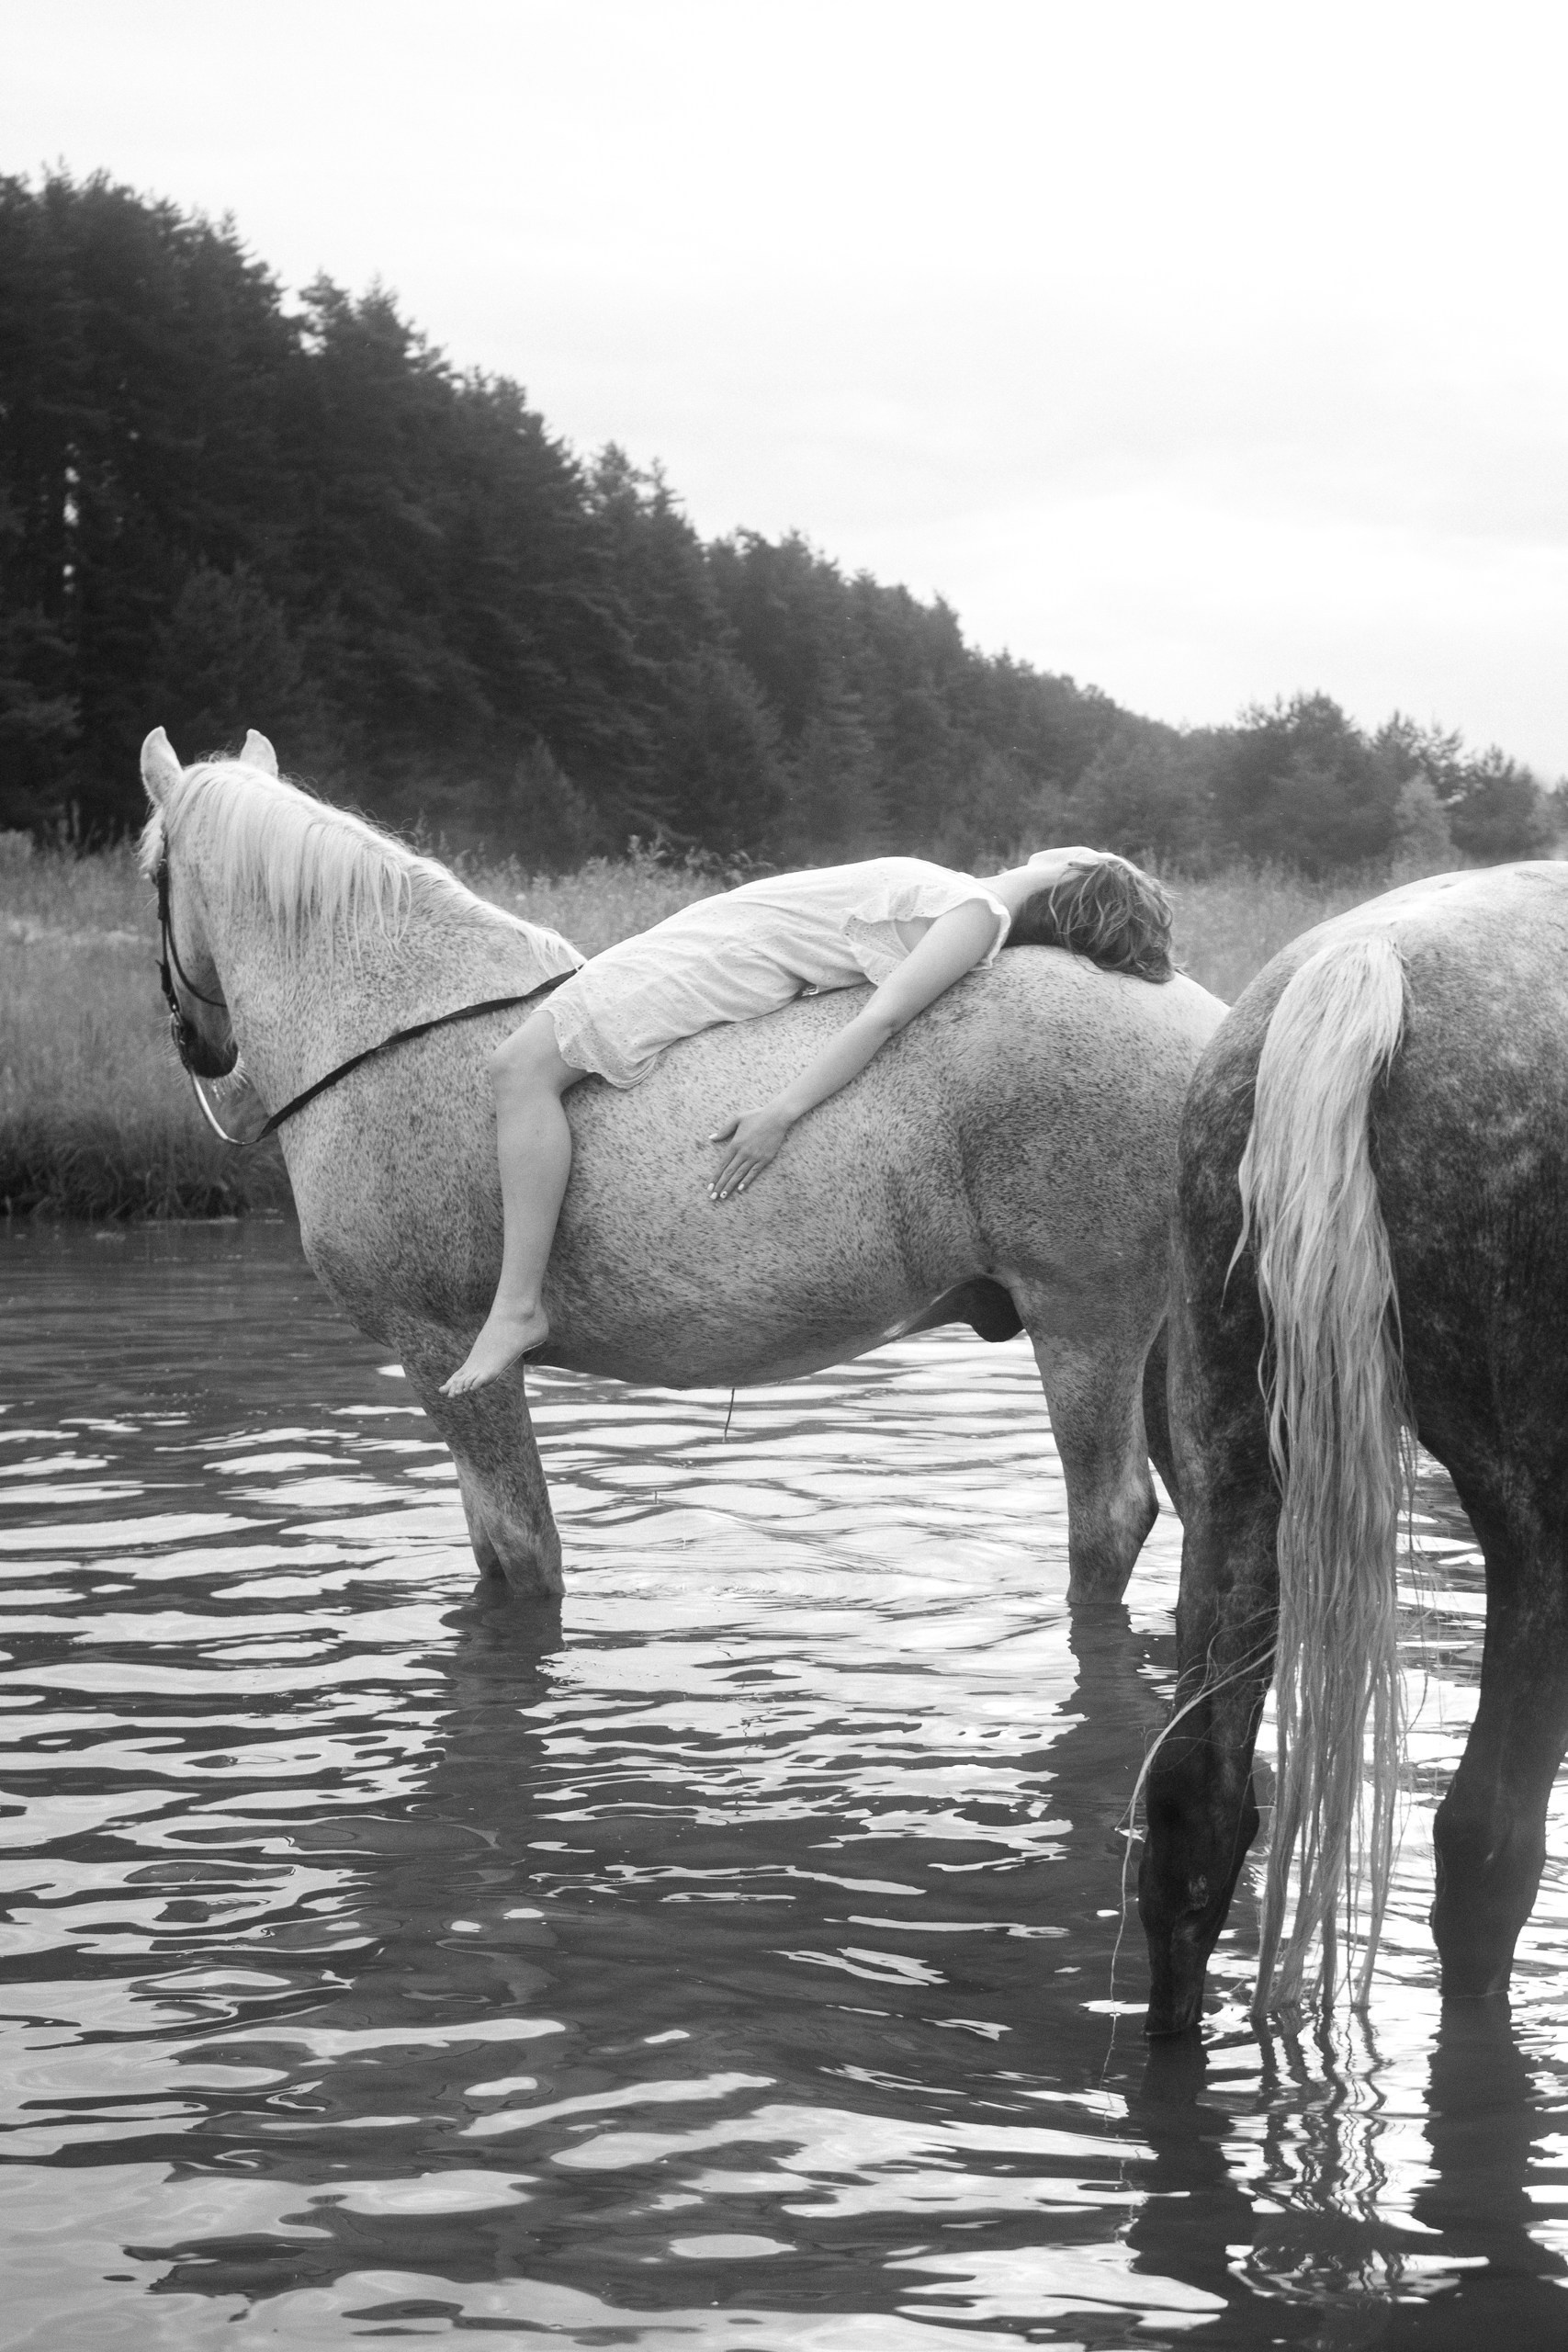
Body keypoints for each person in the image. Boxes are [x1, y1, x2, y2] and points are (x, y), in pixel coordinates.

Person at [440, 846, 1173, 1395]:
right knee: (520, 1067)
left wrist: (780, 1114)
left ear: (1074, 869)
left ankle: (517, 1307)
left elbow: (885, 1018)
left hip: (713, 961)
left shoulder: (975, 916)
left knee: (520, 1070)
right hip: (707, 942)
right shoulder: (961, 895)